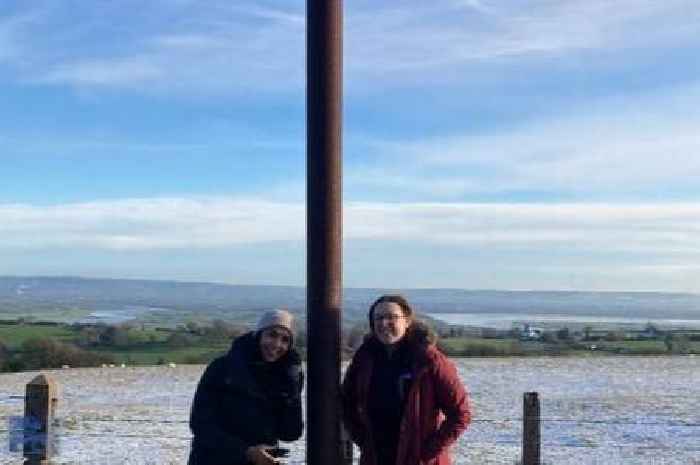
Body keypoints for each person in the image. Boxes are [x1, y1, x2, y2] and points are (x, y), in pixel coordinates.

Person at [342, 295, 471, 465]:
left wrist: (428, 452)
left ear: (407, 321)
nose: (384, 323)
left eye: (392, 317)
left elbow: (460, 414)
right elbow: (347, 401)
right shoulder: (365, 358)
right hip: (377, 457)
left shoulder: (429, 360)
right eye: (378, 318)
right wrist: (363, 440)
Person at [188, 309, 304, 465]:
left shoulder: (286, 376)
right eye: (272, 335)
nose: (277, 344)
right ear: (259, 335)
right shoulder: (223, 368)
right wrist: (246, 452)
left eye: (285, 340)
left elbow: (290, 433)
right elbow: (201, 424)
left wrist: (291, 391)